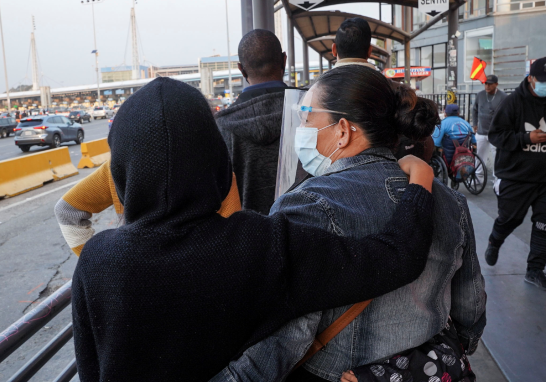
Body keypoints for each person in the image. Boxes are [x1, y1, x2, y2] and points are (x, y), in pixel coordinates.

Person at [72, 77, 436, 381]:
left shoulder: (97, 261)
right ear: (216, 159)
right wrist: (419, 181)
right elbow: (398, 257)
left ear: (121, 170)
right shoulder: (261, 243)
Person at [212, 67, 485, 382]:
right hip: (430, 370)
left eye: (306, 119)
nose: (301, 129)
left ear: (342, 130)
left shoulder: (306, 207)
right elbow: (470, 307)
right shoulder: (450, 201)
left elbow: (284, 342)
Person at [54, 160, 241, 255]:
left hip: (135, 283)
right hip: (200, 289)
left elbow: (67, 212)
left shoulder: (119, 165)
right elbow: (230, 242)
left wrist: (98, 262)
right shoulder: (215, 166)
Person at [216, 29, 295, 215]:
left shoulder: (221, 127)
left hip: (246, 240)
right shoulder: (312, 111)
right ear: (284, 60)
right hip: (308, 237)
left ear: (241, 69)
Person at [485, 57, 546, 290]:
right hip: (515, 175)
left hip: (544, 178)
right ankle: (495, 240)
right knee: (510, 219)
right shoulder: (512, 103)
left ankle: (535, 270)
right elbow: (495, 135)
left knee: (544, 224)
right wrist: (526, 138)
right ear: (531, 79)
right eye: (542, 81)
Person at [472, 75, 507, 182]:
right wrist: (474, 124)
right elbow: (474, 110)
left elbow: (507, 114)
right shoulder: (480, 95)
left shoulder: (503, 96)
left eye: (490, 84)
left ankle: (498, 179)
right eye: (486, 83)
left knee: (497, 156)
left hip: (496, 132)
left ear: (496, 84)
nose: (487, 86)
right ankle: (478, 178)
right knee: (479, 156)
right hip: (481, 132)